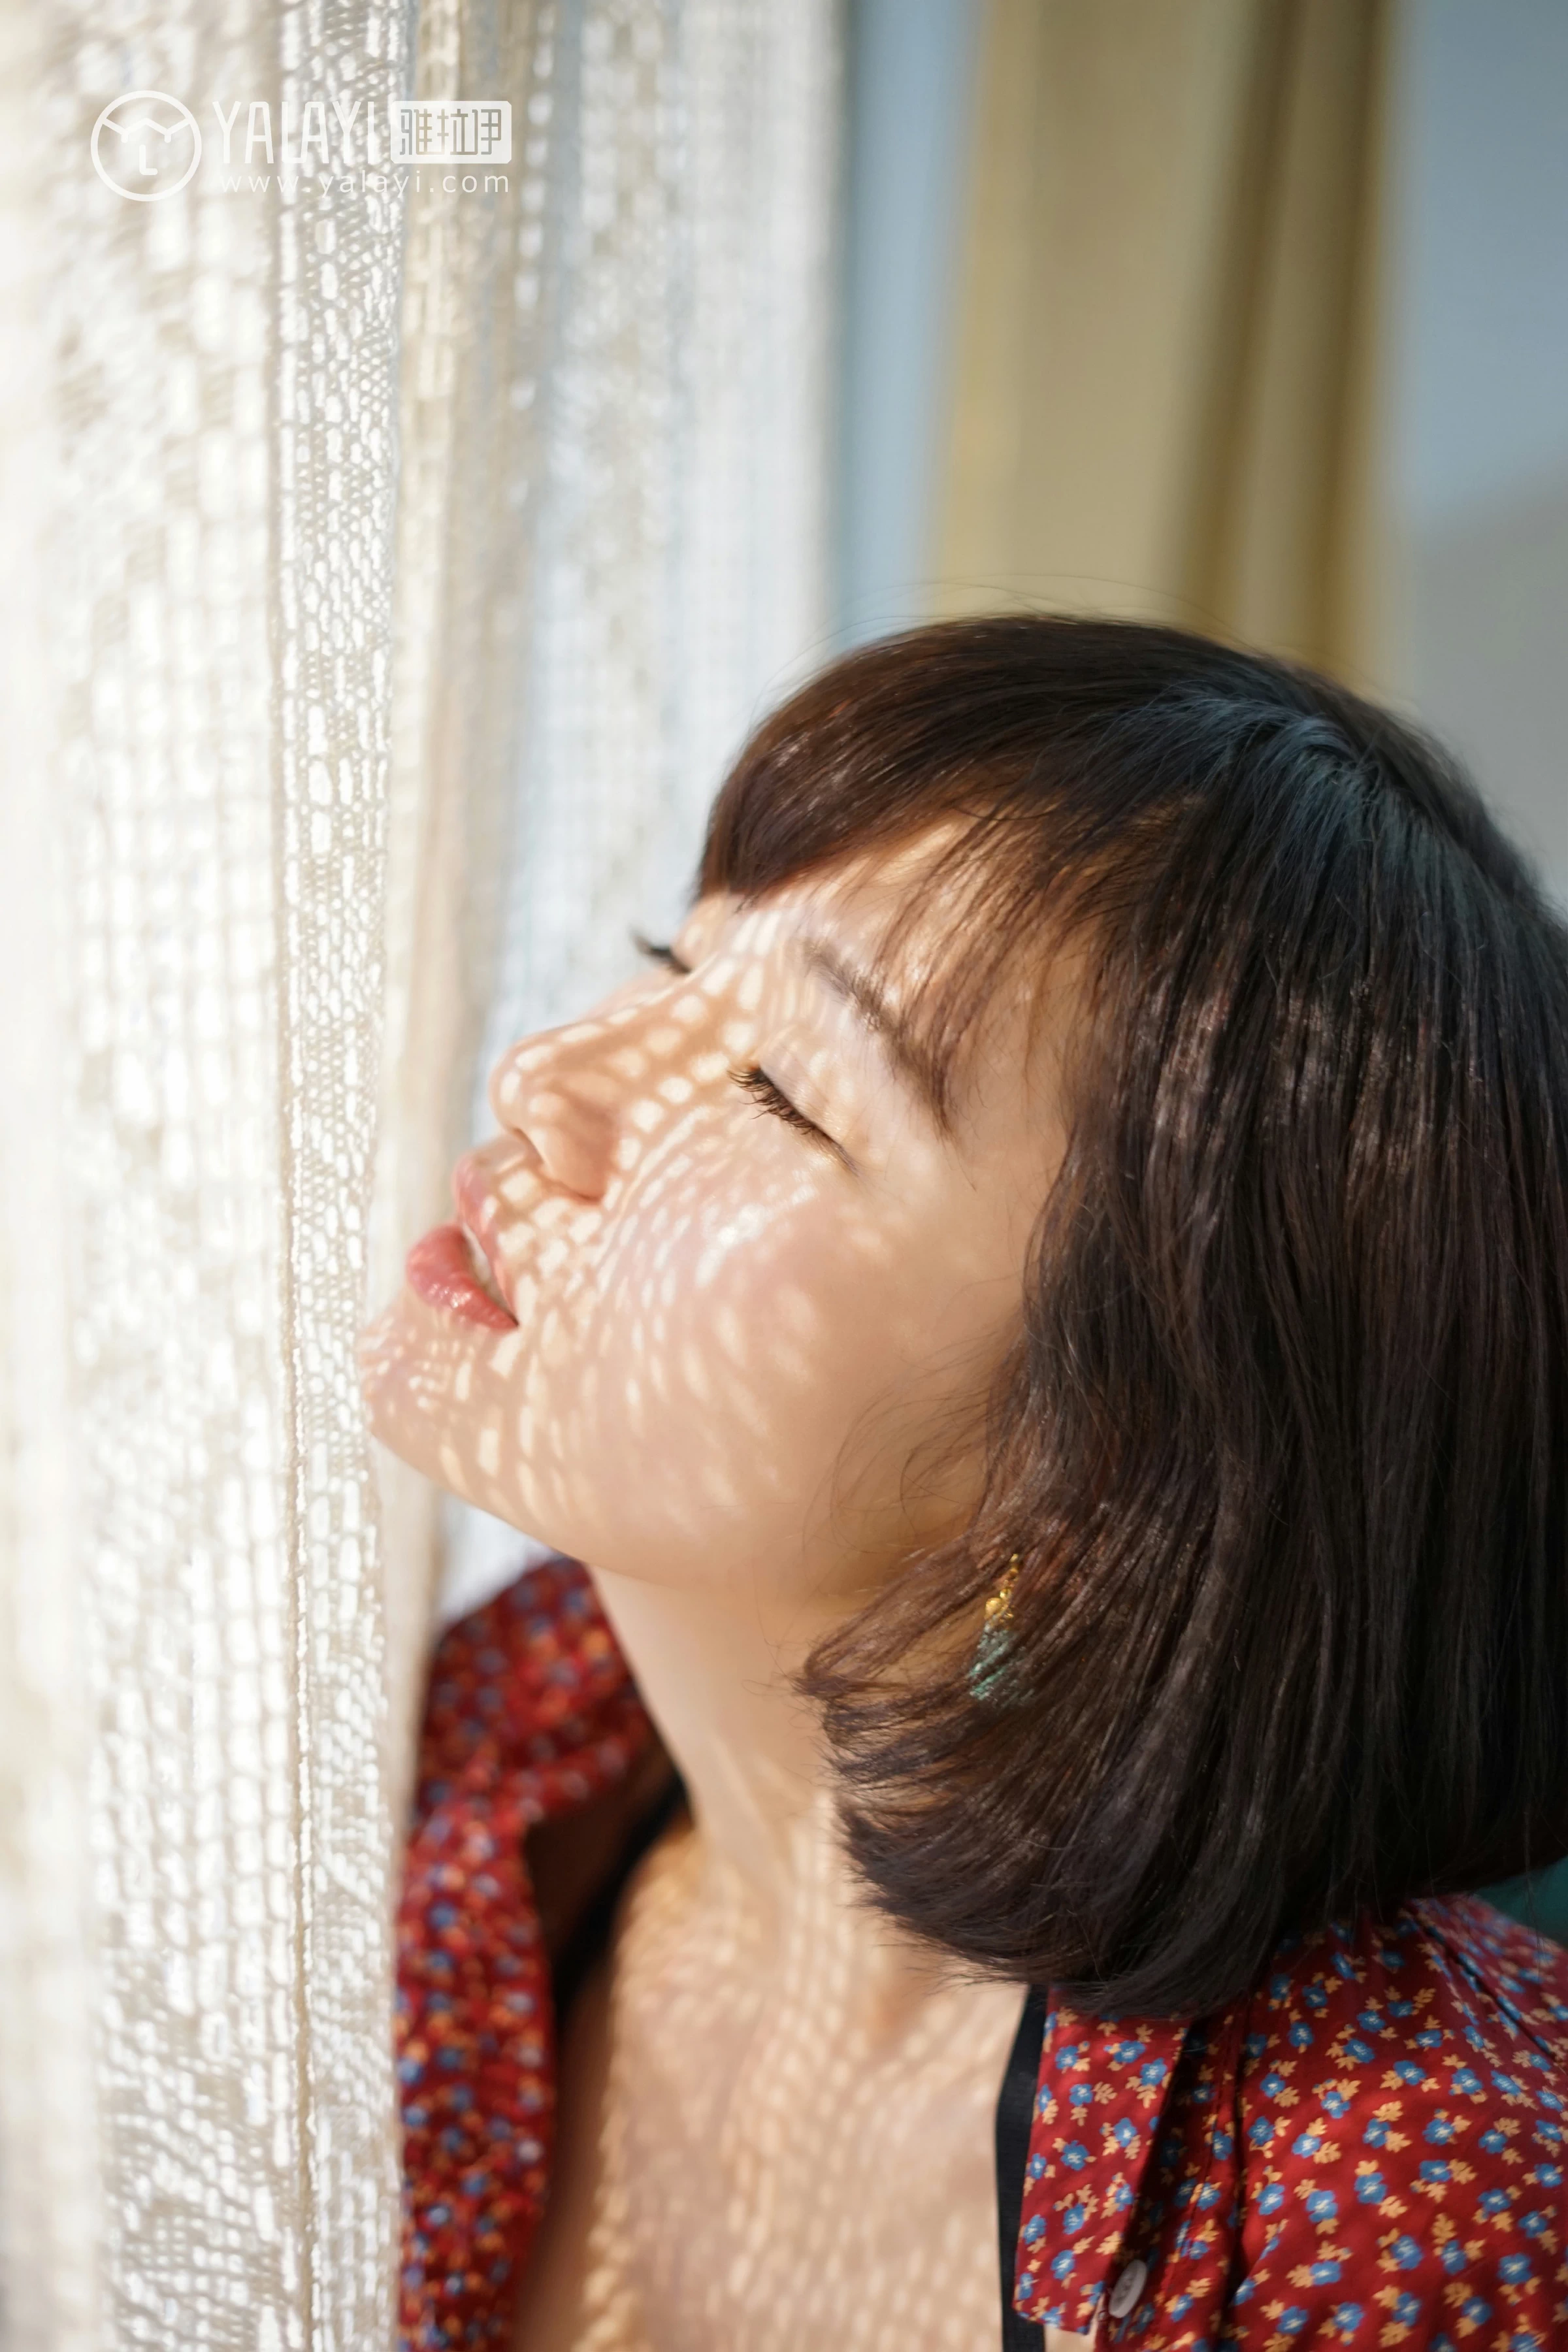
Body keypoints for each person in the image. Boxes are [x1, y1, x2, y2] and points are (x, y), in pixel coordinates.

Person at [361, 617, 1568, 2352]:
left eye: (779, 1092)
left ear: (1105, 1504)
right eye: (676, 960)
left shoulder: (1415, 2215)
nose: (541, 1080)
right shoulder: (477, 1766)